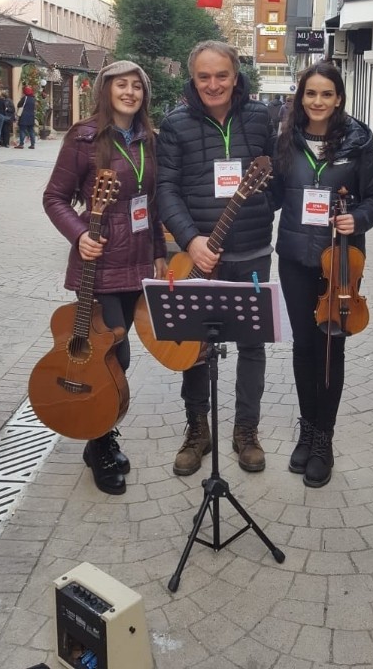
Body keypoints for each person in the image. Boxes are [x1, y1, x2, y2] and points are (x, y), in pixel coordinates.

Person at [43, 60, 167, 495]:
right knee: (110, 356)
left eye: (137, 86)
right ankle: (99, 443)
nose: (130, 92)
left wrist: (159, 253)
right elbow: (55, 198)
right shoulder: (84, 137)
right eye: (121, 85)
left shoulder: (149, 139)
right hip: (97, 265)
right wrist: (79, 236)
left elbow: (151, 204)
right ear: (106, 90)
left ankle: (98, 436)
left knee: (112, 356)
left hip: (137, 265)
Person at [157, 41, 277, 477]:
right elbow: (166, 189)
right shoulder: (175, 123)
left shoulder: (260, 117)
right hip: (199, 257)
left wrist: (263, 207)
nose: (213, 84)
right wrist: (190, 241)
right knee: (194, 344)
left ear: (235, 75)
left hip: (252, 252)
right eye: (204, 76)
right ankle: (197, 430)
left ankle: (246, 431)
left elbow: (277, 175)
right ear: (193, 78)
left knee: (252, 344)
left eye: (221, 75)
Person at [274, 62, 373, 488]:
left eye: (326, 94)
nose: (317, 101)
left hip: (341, 261)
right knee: (304, 346)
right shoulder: (287, 139)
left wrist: (358, 218)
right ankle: (307, 430)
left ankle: (324, 439)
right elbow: (273, 196)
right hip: (294, 258)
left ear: (338, 98)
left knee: (330, 347)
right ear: (300, 97)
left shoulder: (357, 141)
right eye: (310, 93)